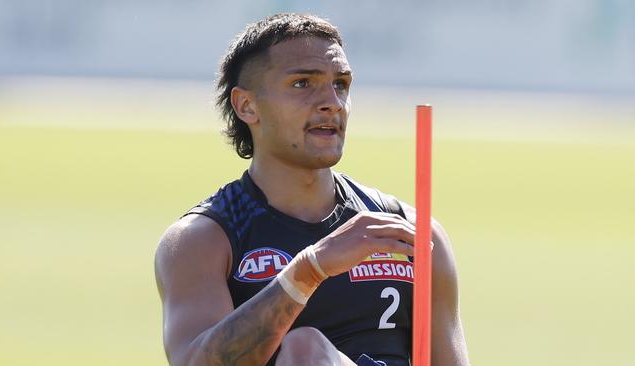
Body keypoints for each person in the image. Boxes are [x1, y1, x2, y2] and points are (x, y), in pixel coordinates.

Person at [155, 13, 470, 366]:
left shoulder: (411, 231)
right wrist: (309, 270)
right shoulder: (204, 239)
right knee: (305, 349)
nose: (332, 102)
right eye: (303, 84)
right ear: (246, 105)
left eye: (341, 84)